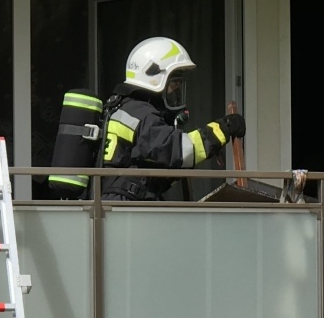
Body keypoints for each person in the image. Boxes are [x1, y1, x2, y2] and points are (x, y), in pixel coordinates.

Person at [100, 36, 246, 201]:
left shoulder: (124, 108)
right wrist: (224, 128)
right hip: (125, 209)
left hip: (118, 205)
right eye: (173, 84)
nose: (174, 91)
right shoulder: (142, 115)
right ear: (154, 78)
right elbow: (181, 150)